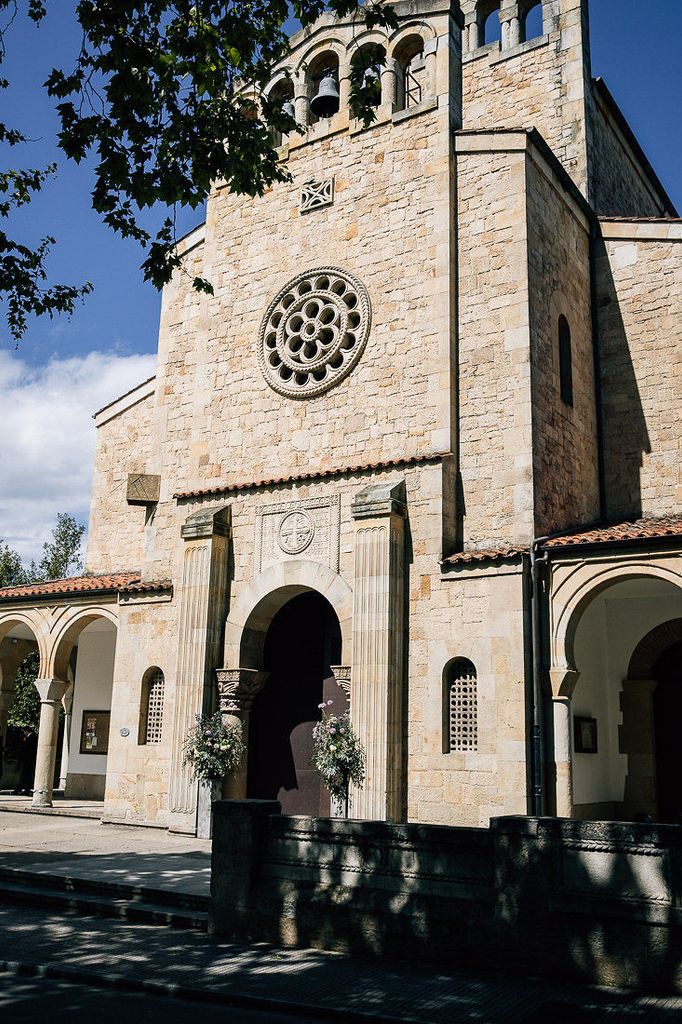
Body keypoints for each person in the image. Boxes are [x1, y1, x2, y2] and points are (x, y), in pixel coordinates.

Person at [13, 728, 38, 795]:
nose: (23, 733)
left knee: (26, 776)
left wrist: (25, 741)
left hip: (28, 761)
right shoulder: (29, 737)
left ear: (26, 731)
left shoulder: (31, 737)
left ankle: (21, 789)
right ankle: (23, 789)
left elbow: (28, 749)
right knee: (26, 776)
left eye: (24, 731)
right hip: (28, 761)